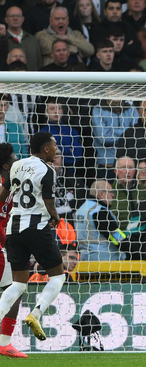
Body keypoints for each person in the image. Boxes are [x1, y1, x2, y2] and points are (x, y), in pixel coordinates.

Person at [0, 132, 65, 344]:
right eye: (54, 145)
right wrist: (55, 217)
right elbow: (48, 201)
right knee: (57, 276)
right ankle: (35, 314)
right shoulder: (47, 170)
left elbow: (3, 195)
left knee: (18, 284)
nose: (56, 149)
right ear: (46, 149)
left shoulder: (17, 166)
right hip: (36, 227)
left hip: (13, 228)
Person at [0, 143, 26, 358]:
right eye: (16, 159)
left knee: (15, 289)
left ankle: (4, 343)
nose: (19, 161)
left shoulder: (10, 186)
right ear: (7, 165)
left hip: (3, 247)